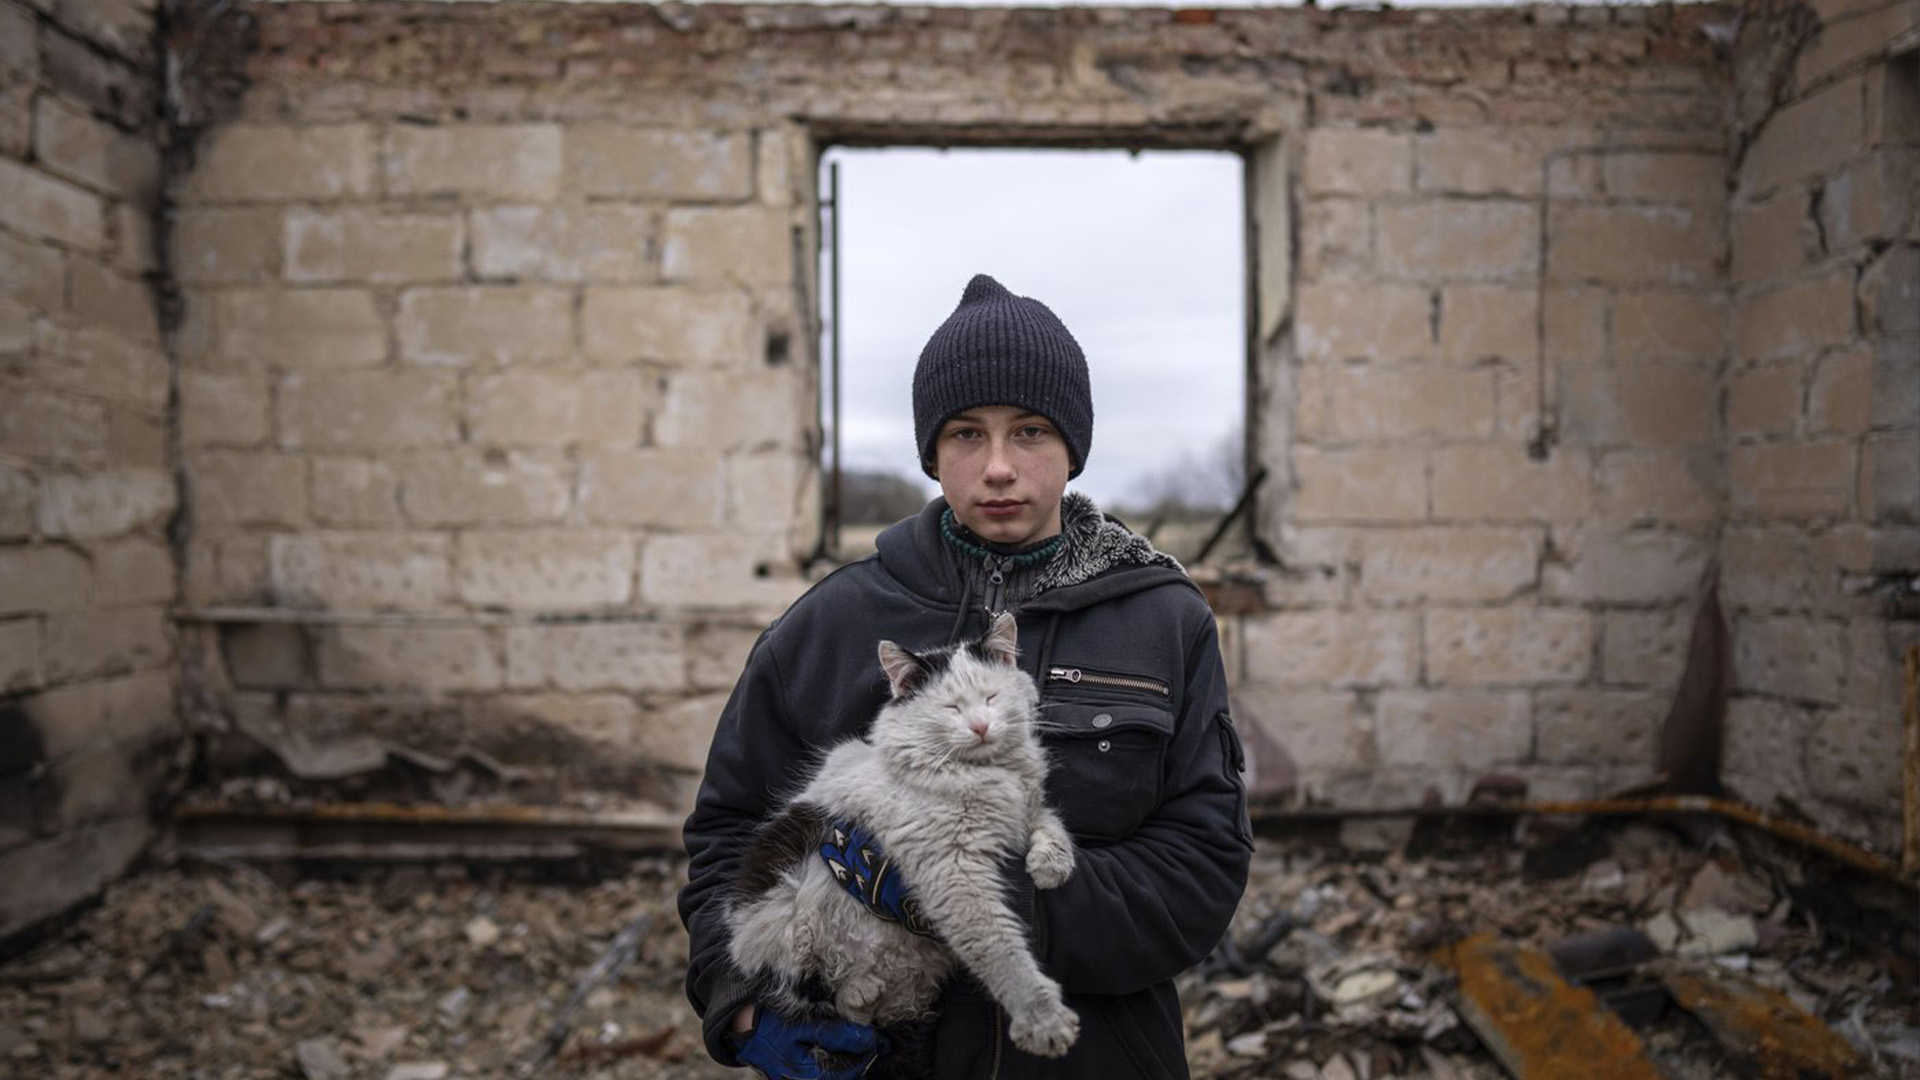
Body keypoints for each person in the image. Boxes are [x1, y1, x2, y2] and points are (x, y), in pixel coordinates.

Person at [678, 273, 1253, 1079]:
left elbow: (1201, 866)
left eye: (1030, 432)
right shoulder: (832, 623)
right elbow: (727, 829)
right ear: (931, 452)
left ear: (1072, 447)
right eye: (964, 435)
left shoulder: (1163, 623)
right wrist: (738, 1001)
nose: (997, 468)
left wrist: (979, 896)